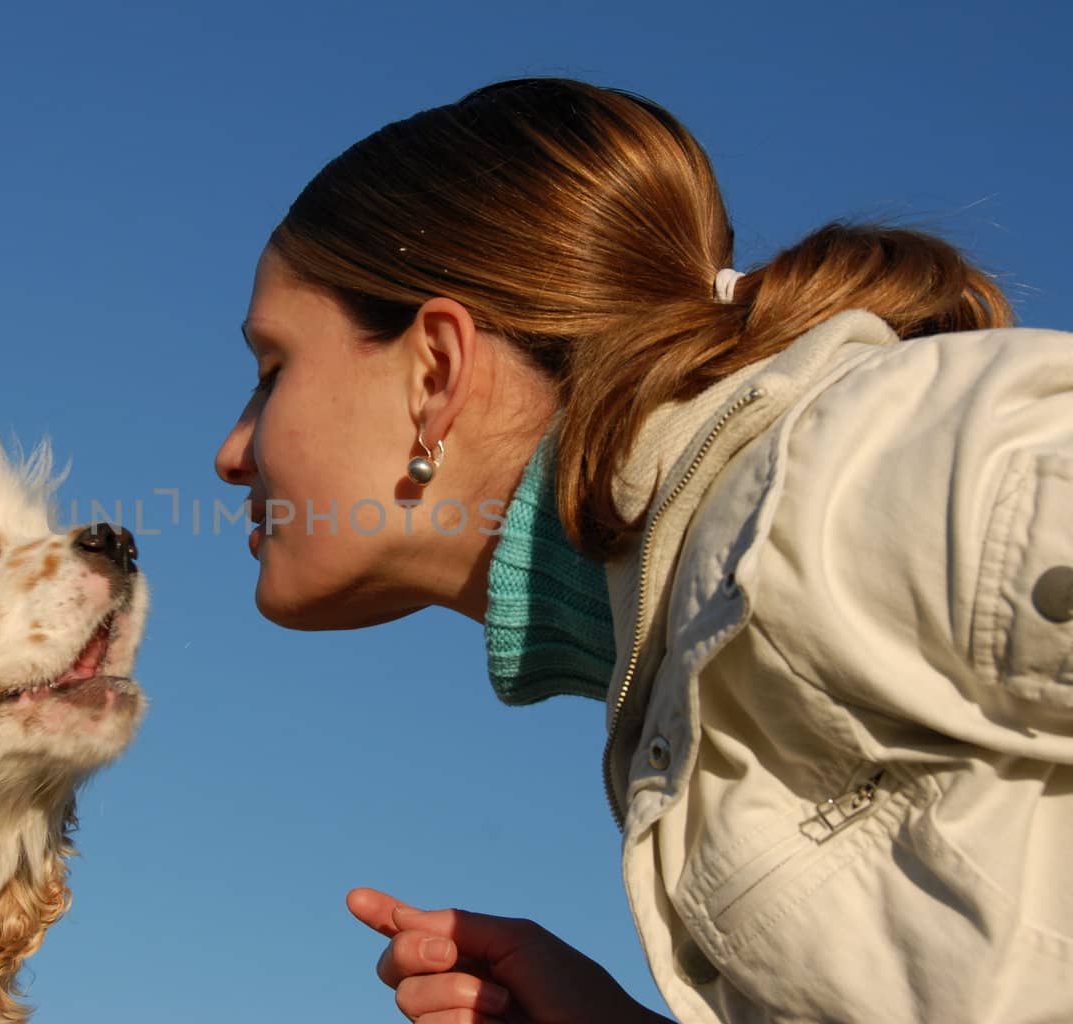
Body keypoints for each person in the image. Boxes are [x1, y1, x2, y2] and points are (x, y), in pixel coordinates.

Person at [213, 78, 1073, 1023]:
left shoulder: (859, 471)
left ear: (436, 373)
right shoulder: (678, 655)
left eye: (270, 372)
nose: (231, 453)